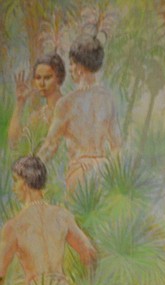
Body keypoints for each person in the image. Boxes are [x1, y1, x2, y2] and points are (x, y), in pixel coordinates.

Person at [37, 34, 121, 193]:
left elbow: (50, 145)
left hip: (79, 174)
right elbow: (117, 147)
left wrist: (32, 170)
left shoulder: (67, 103)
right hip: (104, 173)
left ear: (80, 67)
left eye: (71, 63)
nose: (70, 69)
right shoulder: (107, 99)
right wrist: (112, 177)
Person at [0, 156, 96, 285]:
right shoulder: (62, 216)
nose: (14, 188)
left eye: (16, 181)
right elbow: (89, 252)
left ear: (25, 183)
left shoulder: (15, 226)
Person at [8, 53, 66, 148]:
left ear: (59, 78)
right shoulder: (38, 116)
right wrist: (20, 102)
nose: (42, 83)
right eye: (38, 78)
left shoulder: (69, 107)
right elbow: (14, 143)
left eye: (47, 78)